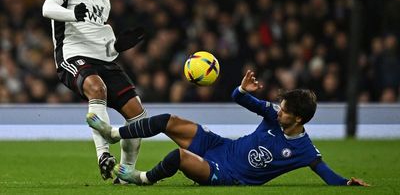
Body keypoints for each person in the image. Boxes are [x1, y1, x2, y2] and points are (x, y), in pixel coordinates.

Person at [87, 70, 369, 186]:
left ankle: (143, 178)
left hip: (227, 174)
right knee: (167, 121)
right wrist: (242, 89)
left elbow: (327, 174)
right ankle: (113, 133)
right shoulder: (273, 115)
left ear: (298, 119)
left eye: (284, 110)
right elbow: (239, 98)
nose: (277, 109)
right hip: (219, 146)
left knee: (178, 157)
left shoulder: (303, 149)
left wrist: (346, 183)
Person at [42, 0, 146, 182]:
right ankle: (103, 155)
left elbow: (102, 44)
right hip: (73, 55)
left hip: (104, 60)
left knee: (138, 114)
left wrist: (117, 46)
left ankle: (125, 174)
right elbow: (47, 8)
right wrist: (72, 13)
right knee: (97, 88)